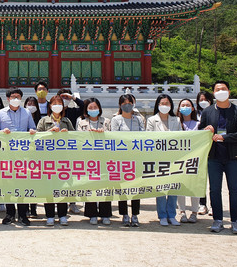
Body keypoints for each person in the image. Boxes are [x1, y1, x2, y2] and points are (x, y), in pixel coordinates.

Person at [199, 80, 237, 235]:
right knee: (214, 189)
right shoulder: (208, 111)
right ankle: (218, 220)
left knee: (234, 190)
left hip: (233, 156)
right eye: (217, 89)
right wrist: (206, 129)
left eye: (223, 89)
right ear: (213, 93)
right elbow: (201, 130)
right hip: (213, 156)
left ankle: (235, 221)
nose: (221, 91)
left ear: (229, 91)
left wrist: (225, 137)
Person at [0, 87, 37, 226]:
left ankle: (23, 214)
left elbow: (33, 129)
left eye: (18, 96)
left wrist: (31, 131)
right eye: (13, 97)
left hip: (23, 155)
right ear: (8, 98)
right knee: (7, 184)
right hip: (6, 155)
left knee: (22, 184)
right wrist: (2, 132)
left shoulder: (27, 113)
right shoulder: (0, 114)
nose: (15, 99)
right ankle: (10, 213)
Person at [37, 95, 75, 226]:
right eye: (55, 103)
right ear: (50, 105)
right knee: (49, 188)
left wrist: (67, 134)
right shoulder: (43, 121)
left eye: (60, 102)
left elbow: (75, 139)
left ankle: (63, 215)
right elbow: (37, 139)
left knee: (62, 187)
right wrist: (49, 132)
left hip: (63, 159)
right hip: (48, 160)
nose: (57, 105)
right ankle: (50, 215)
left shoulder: (67, 121)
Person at [146, 94, 182, 227]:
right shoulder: (151, 120)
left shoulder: (176, 120)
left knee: (173, 187)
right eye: (162, 103)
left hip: (174, 158)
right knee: (160, 188)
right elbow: (149, 138)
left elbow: (181, 137)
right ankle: (162, 215)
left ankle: (171, 215)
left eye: (167, 103)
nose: (165, 106)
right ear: (157, 105)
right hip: (158, 158)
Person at [77, 98, 112, 225]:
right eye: (90, 108)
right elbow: (79, 139)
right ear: (86, 109)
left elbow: (112, 138)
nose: (93, 110)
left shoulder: (106, 122)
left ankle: (105, 213)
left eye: (95, 107)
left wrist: (104, 134)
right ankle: (92, 214)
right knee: (90, 186)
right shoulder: (82, 122)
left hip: (104, 158)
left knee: (105, 185)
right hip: (89, 158)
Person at [111, 94, 144, 227]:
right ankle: (124, 214)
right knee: (123, 188)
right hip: (122, 158)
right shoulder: (116, 119)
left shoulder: (139, 119)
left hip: (136, 157)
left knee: (136, 187)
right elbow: (114, 137)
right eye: (124, 103)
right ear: (120, 105)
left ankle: (135, 214)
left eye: (130, 102)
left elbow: (143, 135)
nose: (127, 105)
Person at [56, 88, 83, 214]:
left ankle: (72, 203)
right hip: (55, 150)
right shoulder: (53, 113)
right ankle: (58, 201)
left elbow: (84, 106)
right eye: (62, 98)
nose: (64, 101)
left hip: (70, 149)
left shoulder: (72, 112)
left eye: (66, 98)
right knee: (57, 176)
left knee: (71, 177)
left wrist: (73, 97)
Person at [177, 98, 200, 224]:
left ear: (192, 108)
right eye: (183, 105)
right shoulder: (176, 123)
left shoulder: (198, 124)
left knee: (194, 186)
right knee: (180, 186)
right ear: (179, 108)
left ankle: (195, 212)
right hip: (179, 159)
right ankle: (181, 211)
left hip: (194, 158)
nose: (185, 107)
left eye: (188, 105)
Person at [195, 90, 214, 215]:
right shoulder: (194, 114)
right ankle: (202, 204)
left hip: (214, 148)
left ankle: (214, 205)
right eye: (201, 100)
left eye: (206, 100)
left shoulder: (216, 112)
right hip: (198, 150)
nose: (203, 102)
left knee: (214, 180)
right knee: (200, 179)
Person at [24, 95, 42, 219]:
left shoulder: (41, 120)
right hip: (23, 153)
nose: (31, 106)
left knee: (34, 182)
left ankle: (33, 208)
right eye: (28, 104)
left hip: (37, 154)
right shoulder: (23, 117)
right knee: (24, 182)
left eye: (33, 104)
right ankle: (24, 209)